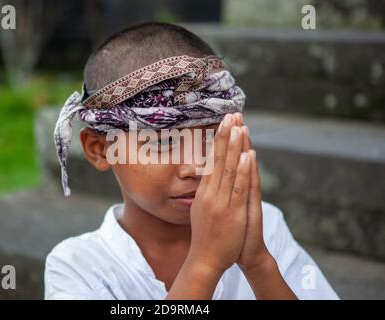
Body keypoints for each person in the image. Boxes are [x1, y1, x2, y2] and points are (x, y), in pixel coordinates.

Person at [45, 22, 338, 300]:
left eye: (212, 139)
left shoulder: (264, 226)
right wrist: (205, 264)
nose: (196, 166)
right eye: (163, 142)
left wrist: (259, 264)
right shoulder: (78, 267)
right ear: (99, 148)